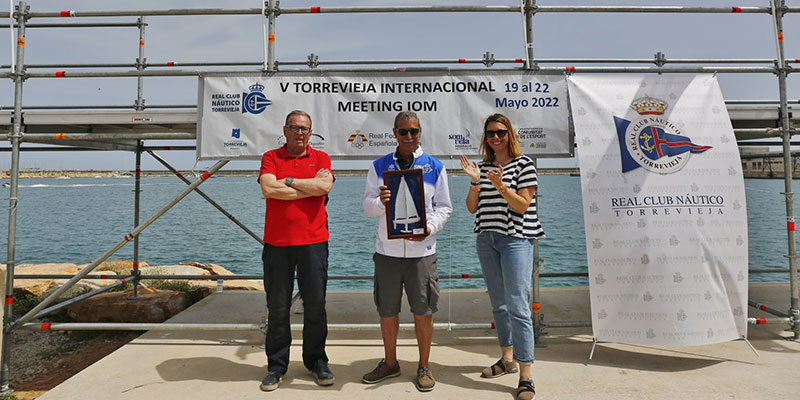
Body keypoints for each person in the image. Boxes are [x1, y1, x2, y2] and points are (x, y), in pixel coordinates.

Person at [361, 111, 453, 392]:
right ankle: (390, 363)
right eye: (403, 131)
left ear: (419, 132)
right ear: (395, 133)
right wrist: (381, 203)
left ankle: (424, 366)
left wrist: (429, 228)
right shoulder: (379, 166)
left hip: (422, 254)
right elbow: (367, 206)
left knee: (423, 312)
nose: (409, 136)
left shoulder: (435, 167)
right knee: (387, 311)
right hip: (387, 253)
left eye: (414, 131)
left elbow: (444, 208)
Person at [460, 113, 544, 400]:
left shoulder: (524, 165)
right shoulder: (483, 167)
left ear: (510, 135)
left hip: (516, 241)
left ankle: (526, 374)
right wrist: (475, 182)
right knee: (499, 305)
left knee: (518, 306)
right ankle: (507, 359)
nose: (495, 137)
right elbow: (472, 208)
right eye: (490, 133)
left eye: (500, 132)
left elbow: (522, 206)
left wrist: (501, 186)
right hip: (487, 239)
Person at [258, 110, 335, 392]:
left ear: (310, 133)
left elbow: (324, 186)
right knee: (278, 307)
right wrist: (308, 187)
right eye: (294, 127)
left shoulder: (321, 158)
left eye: (305, 129)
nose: (300, 133)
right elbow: (269, 189)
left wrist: (288, 181)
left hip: (314, 243)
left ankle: (316, 362)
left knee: (316, 305)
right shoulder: (271, 157)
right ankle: (277, 367)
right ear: (285, 130)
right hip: (277, 244)